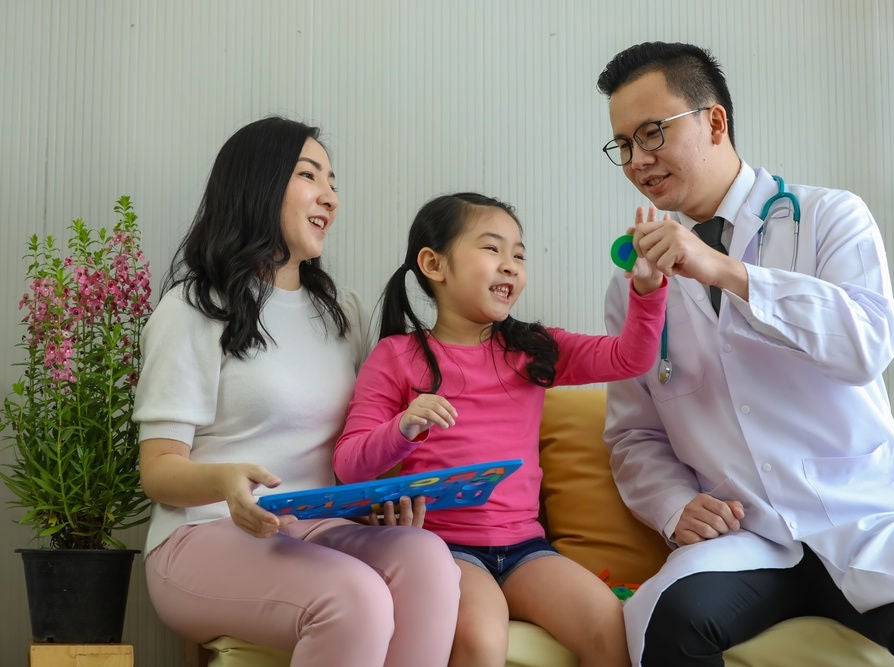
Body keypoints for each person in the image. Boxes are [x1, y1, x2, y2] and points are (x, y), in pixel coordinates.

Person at [596, 41, 894, 667]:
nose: (638, 160)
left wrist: (729, 272)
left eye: (652, 134)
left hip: (860, 517)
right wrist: (674, 505)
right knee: (670, 625)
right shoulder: (637, 287)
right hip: (749, 533)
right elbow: (634, 434)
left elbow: (866, 344)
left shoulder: (829, 217)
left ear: (714, 121)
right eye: (623, 145)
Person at [133, 116, 461, 667]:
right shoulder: (193, 308)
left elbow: (358, 438)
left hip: (314, 526)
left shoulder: (345, 313)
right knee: (355, 598)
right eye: (310, 176)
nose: (330, 196)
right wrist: (225, 481)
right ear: (259, 185)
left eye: (333, 182)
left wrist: (384, 499)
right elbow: (159, 470)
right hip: (203, 534)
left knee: (427, 559)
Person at [333, 192, 667, 667]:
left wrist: (648, 289)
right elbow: (348, 465)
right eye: (492, 249)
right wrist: (402, 429)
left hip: (526, 548)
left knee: (608, 622)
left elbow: (629, 357)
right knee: (483, 640)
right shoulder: (396, 356)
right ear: (434, 264)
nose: (511, 265)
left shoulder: (534, 349)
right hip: (443, 549)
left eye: (519, 254)